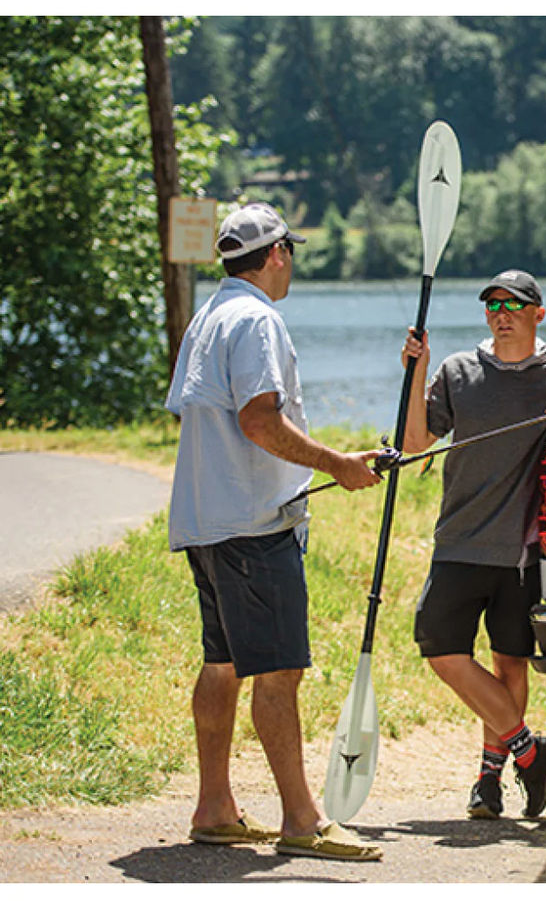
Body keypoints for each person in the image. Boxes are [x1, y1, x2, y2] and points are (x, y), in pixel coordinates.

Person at [166, 202, 383, 861]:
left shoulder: (209, 315)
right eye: (291, 249)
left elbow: (203, 414)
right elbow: (258, 421)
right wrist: (338, 464)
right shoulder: (258, 319)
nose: (292, 261)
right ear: (277, 253)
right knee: (280, 670)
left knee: (223, 662)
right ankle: (302, 819)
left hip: (206, 521)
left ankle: (214, 807)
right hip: (254, 528)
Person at [401, 269, 546, 820]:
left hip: (520, 553)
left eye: (514, 304)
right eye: (492, 305)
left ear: (539, 312)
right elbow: (416, 443)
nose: (501, 313)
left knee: (509, 662)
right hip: (460, 538)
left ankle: (489, 781)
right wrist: (415, 374)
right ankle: (532, 752)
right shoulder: (459, 371)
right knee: (440, 646)